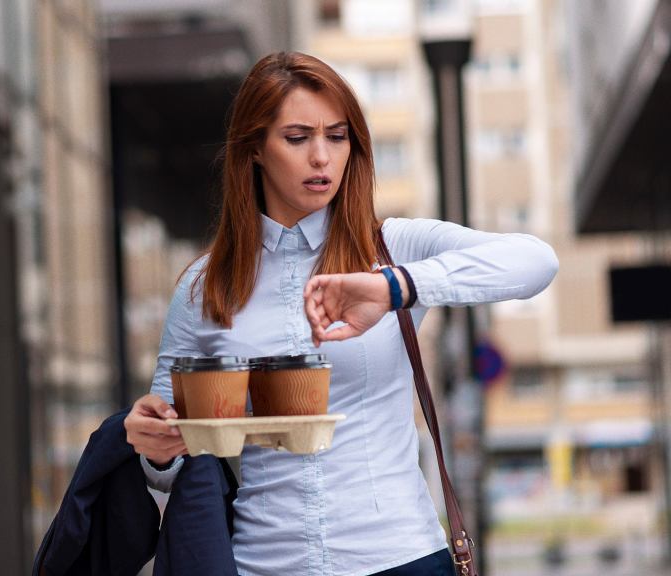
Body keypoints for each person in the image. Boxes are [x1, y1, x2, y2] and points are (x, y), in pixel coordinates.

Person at [123, 51, 558, 576]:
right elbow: (167, 462)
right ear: (255, 149)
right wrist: (156, 450)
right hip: (264, 564)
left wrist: (395, 287)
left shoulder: (392, 248)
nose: (322, 158)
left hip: (399, 556)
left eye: (337, 136)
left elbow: (536, 261)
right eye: (298, 137)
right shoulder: (203, 287)